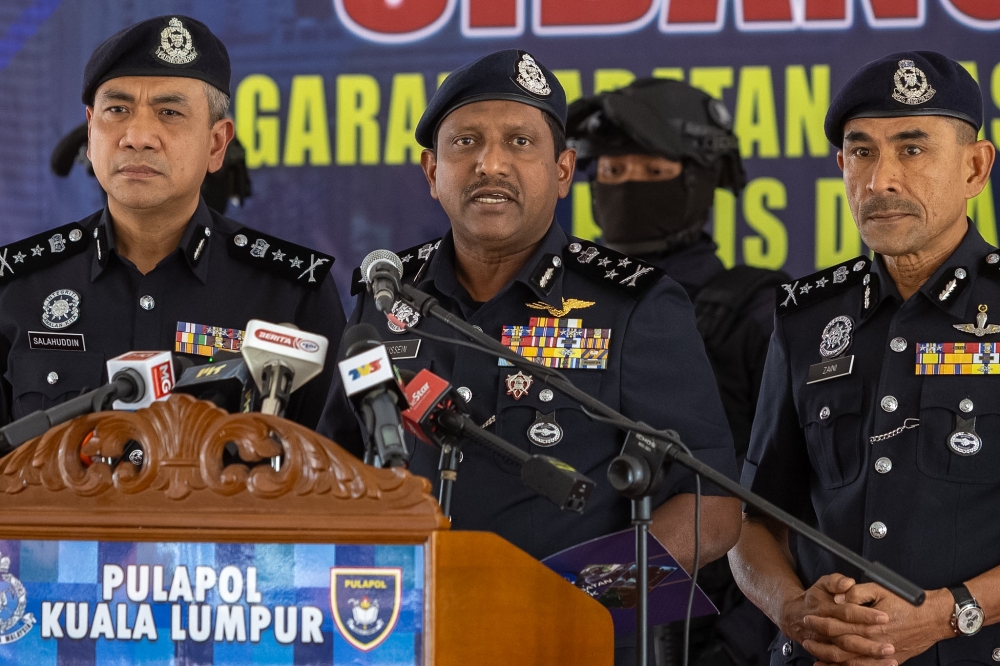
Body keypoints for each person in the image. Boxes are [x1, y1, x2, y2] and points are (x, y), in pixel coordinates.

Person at [324, 49, 742, 662]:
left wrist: (575, 602)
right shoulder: (385, 296)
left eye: (520, 142)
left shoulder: (633, 304)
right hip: (396, 636)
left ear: (563, 171)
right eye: (465, 142)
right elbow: (331, 466)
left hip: (562, 643)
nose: (491, 164)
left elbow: (714, 509)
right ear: (432, 170)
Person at [730, 51, 999, 666]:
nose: (879, 182)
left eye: (912, 149)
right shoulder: (806, 318)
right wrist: (793, 610)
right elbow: (754, 521)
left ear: (976, 167)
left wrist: (948, 613)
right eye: (861, 153)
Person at [0, 16, 348, 431]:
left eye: (169, 112)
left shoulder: (290, 294)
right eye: (117, 109)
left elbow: (332, 459)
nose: (138, 136)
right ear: (91, 132)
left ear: (216, 144)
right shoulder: (18, 285)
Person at [566, 77, 784, 666]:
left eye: (653, 171)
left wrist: (741, 645)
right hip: (570, 616)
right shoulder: (554, 311)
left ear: (703, 176)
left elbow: (796, 504)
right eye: (611, 171)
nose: (628, 185)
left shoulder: (758, 314)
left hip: (707, 630)